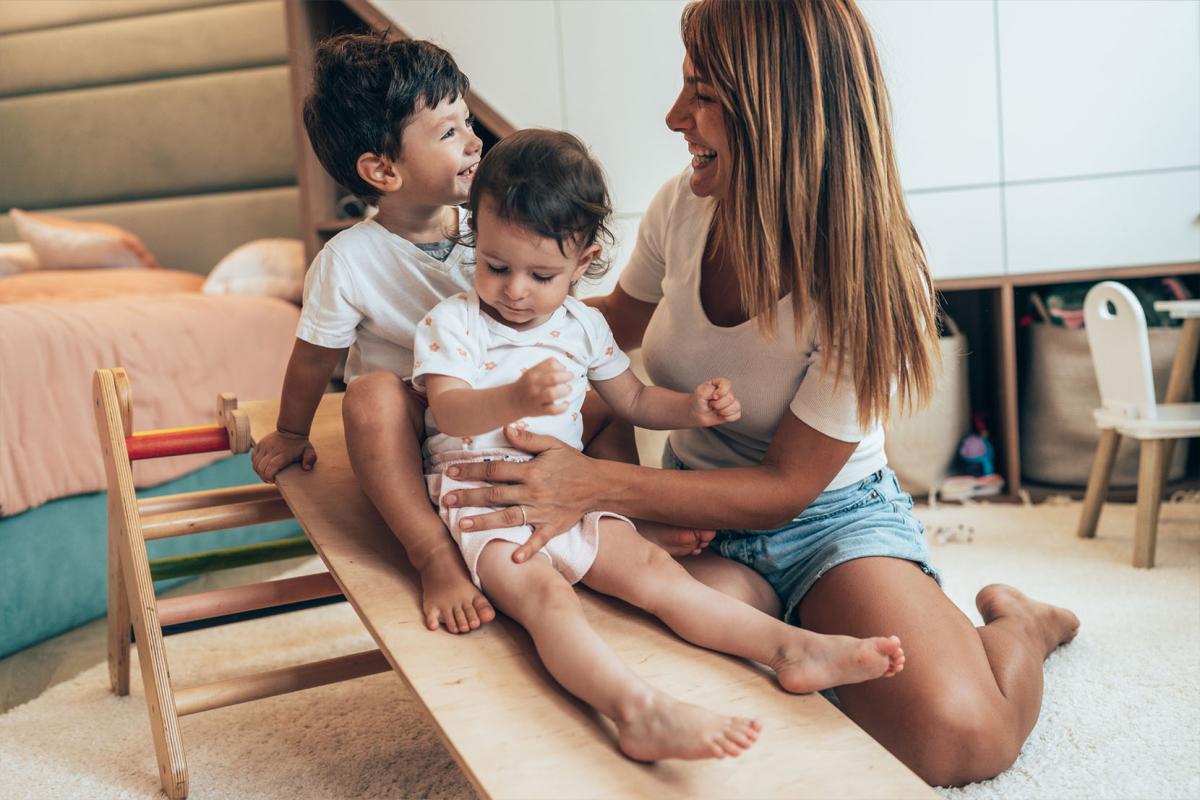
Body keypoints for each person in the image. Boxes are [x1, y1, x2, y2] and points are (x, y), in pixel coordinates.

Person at [438, 0, 1080, 786]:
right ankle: (803, 628)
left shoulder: (873, 276)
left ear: (779, 113)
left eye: (701, 95)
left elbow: (787, 488)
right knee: (631, 668)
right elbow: (596, 330)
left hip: (831, 521)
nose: (674, 116)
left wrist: (594, 487)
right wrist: (475, 344)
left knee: (962, 741)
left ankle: (1021, 625)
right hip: (693, 511)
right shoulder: (683, 206)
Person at [415, 128, 906, 762]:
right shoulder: (453, 321)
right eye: (495, 266)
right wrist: (513, 399)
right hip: (490, 501)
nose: (514, 291)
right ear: (474, 243)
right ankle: (636, 711)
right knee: (547, 600)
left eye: (542, 274)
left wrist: (693, 409)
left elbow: (635, 401)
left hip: (573, 495)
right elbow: (448, 407)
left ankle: (792, 649)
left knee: (654, 573)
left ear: (584, 261)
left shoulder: (582, 326)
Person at [249, 32, 497, 633]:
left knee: (593, 384)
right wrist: (289, 431)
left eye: (468, 121)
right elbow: (314, 358)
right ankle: (431, 551)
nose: (474, 141)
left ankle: (613, 505)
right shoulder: (349, 260)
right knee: (368, 395)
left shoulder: (495, 223)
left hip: (494, 405)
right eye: (448, 132)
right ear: (382, 169)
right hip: (417, 420)